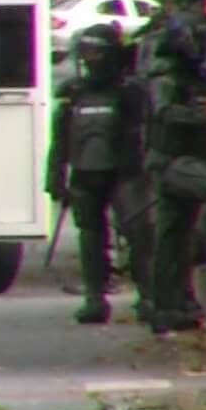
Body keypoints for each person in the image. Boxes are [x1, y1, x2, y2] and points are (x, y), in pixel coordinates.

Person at [46, 25, 152, 324]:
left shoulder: (130, 92)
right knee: (91, 237)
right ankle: (94, 297)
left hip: (125, 171)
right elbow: (61, 138)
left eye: (95, 53)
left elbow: (147, 133)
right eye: (85, 54)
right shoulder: (74, 93)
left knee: (137, 233)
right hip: (85, 173)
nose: (89, 60)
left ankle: (148, 296)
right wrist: (55, 175)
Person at [145, 12, 206, 334]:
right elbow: (165, 112)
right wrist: (204, 114)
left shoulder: (192, 77)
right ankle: (165, 304)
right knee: (171, 237)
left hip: (185, 158)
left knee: (179, 237)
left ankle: (178, 300)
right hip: (171, 162)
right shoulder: (165, 78)